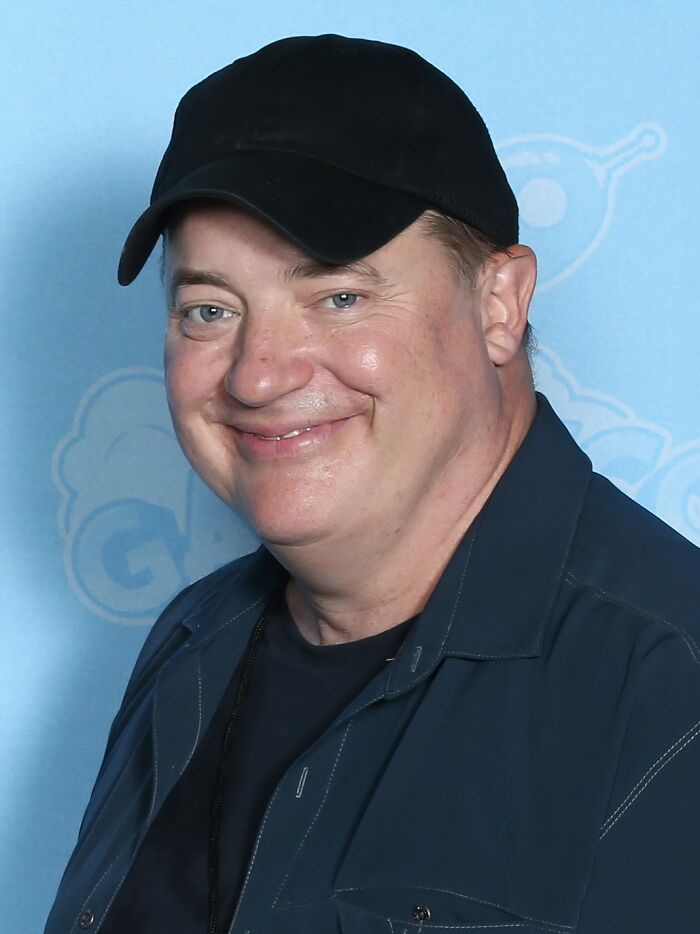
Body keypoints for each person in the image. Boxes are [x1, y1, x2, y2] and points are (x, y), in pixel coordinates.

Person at [46, 34, 700, 934]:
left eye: (338, 296)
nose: (257, 376)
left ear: (499, 305)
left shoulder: (669, 683)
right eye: (209, 311)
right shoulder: (190, 645)